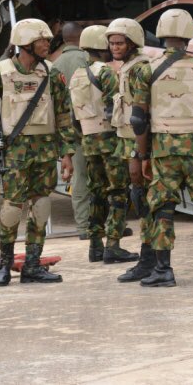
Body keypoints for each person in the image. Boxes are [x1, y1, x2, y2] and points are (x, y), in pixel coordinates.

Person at [131, 8, 193, 287]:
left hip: (164, 151)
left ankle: (164, 271)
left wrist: (143, 154)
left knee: (163, 209)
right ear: (189, 35)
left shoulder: (145, 70)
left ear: (161, 34)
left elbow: (138, 119)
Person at [0, 19, 76, 285]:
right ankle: (5, 263)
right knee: (11, 208)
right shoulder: (0, 73)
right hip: (13, 152)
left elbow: (63, 114)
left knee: (41, 206)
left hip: (44, 152)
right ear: (26, 44)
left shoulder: (52, 74)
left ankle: (33, 264)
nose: (47, 44)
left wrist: (67, 153)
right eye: (42, 40)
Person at [68, 25, 137, 264]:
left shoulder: (77, 75)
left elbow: (72, 116)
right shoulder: (106, 73)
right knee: (118, 193)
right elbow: (113, 109)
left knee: (96, 194)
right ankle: (113, 246)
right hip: (109, 140)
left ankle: (95, 247)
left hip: (88, 142)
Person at [106, 18, 157, 283]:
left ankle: (149, 260)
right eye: (112, 43)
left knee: (144, 200)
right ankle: (150, 258)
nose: (114, 47)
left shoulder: (139, 68)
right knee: (141, 201)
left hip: (138, 144)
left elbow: (141, 114)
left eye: (119, 42)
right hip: (129, 141)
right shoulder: (127, 67)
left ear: (132, 42)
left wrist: (141, 153)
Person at [52, 22, 91, 238]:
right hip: (92, 126)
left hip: (69, 129)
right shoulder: (88, 60)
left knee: (79, 178)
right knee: (102, 177)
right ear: (82, 36)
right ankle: (100, 224)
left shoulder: (55, 65)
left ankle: (83, 225)